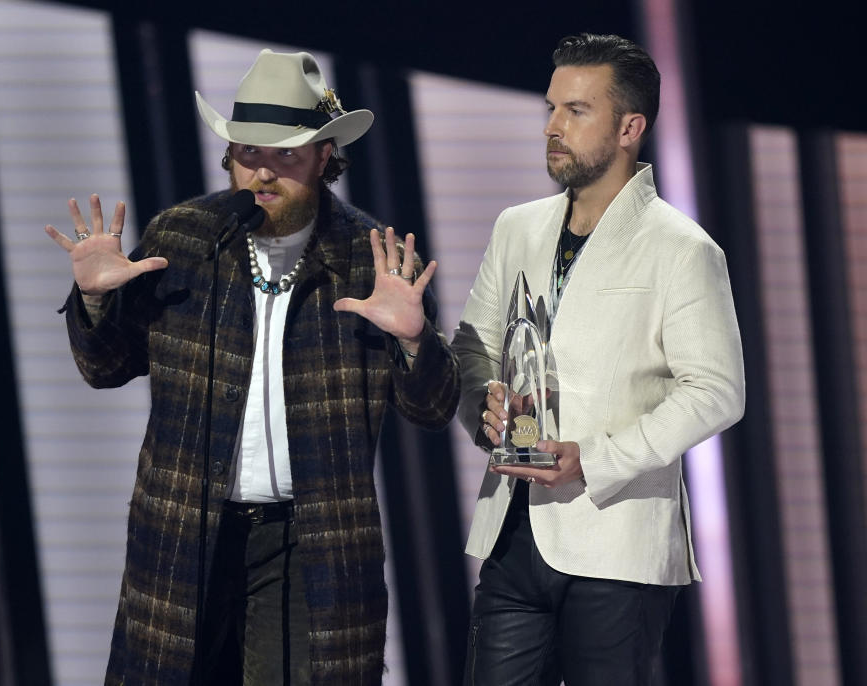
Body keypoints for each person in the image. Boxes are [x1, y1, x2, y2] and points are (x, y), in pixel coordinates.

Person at [44, 49, 460, 685]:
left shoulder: (370, 259)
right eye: (248, 154)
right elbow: (105, 369)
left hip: (312, 545)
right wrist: (97, 300)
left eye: (285, 155)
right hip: (184, 532)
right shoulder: (182, 238)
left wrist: (413, 340)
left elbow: (432, 410)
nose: (262, 174)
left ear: (325, 156)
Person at [451, 33, 745, 685]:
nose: (553, 127)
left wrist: (599, 457)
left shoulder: (682, 248)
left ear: (629, 128)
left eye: (576, 111)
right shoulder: (516, 227)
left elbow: (718, 391)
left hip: (617, 540)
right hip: (514, 529)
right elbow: (472, 346)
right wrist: (484, 401)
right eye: (551, 108)